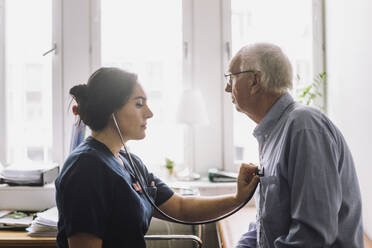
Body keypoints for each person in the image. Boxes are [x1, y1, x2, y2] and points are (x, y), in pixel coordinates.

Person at [55, 67, 260, 248]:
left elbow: (180, 208)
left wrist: (237, 198)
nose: (149, 113)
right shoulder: (85, 169)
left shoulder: (129, 162)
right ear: (111, 109)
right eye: (139, 104)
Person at [224, 43, 364, 247]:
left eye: (231, 77)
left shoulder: (304, 127)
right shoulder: (274, 133)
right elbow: (265, 225)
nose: (227, 87)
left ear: (255, 81)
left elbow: (312, 235)